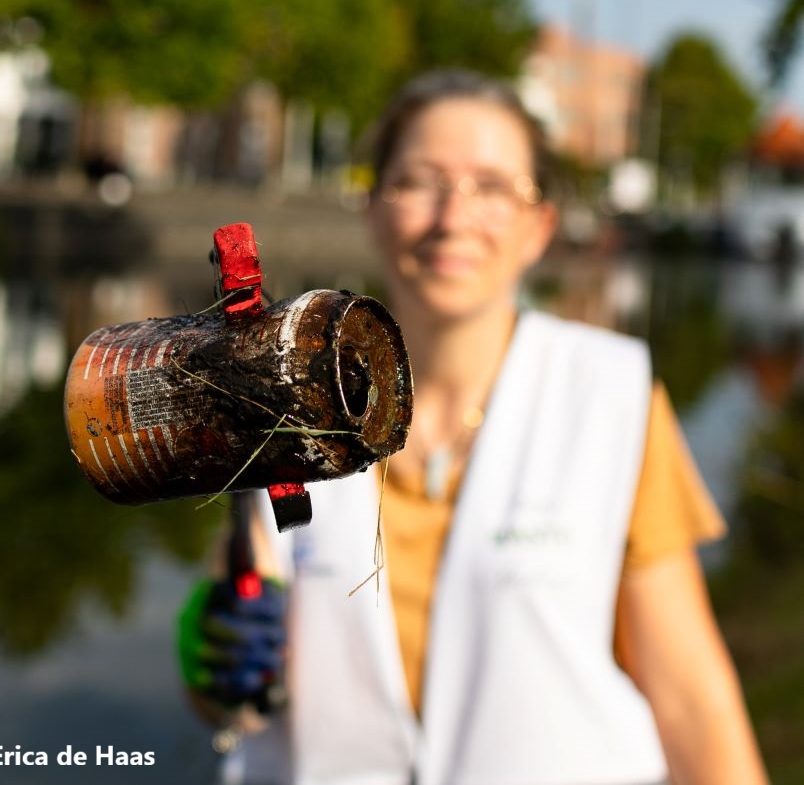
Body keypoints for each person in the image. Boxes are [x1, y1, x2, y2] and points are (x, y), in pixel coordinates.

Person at [178, 70, 768, 785]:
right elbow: (233, 685)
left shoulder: (612, 396)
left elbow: (690, 698)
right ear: (372, 205)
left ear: (539, 226)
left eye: (493, 188)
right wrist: (214, 668)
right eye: (421, 182)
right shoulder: (283, 398)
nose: (453, 218)